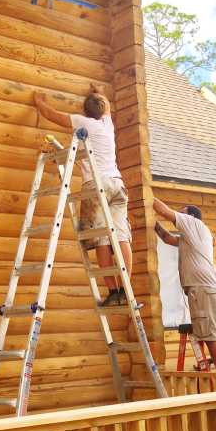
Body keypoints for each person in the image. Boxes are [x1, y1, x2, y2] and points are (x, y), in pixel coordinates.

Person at [33, 85, 132, 307]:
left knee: (100, 240)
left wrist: (39, 102)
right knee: (121, 237)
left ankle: (114, 291)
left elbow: (54, 116)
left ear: (85, 111)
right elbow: (105, 107)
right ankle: (126, 290)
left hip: (96, 186)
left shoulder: (83, 122)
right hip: (117, 185)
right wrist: (99, 93)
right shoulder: (108, 123)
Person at [153, 198, 216, 372]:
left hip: (203, 289)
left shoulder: (193, 224)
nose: (179, 216)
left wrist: (145, 198)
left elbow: (164, 211)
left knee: (211, 338)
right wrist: (152, 224)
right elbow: (168, 238)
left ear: (191, 217)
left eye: (181, 213)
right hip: (213, 289)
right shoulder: (193, 236)